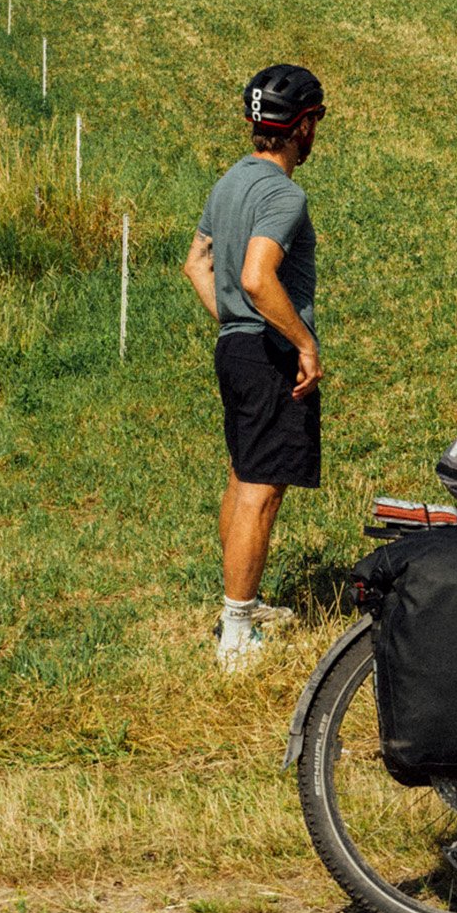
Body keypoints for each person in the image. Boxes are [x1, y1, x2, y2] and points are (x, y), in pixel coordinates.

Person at [182, 65, 326, 669]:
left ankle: (240, 603)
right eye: (316, 120)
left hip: (236, 348)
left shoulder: (229, 183)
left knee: (244, 479)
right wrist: (304, 344)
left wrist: (234, 321)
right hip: (269, 353)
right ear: (302, 125)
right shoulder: (283, 194)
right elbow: (255, 275)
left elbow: (196, 264)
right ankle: (237, 634)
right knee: (261, 495)